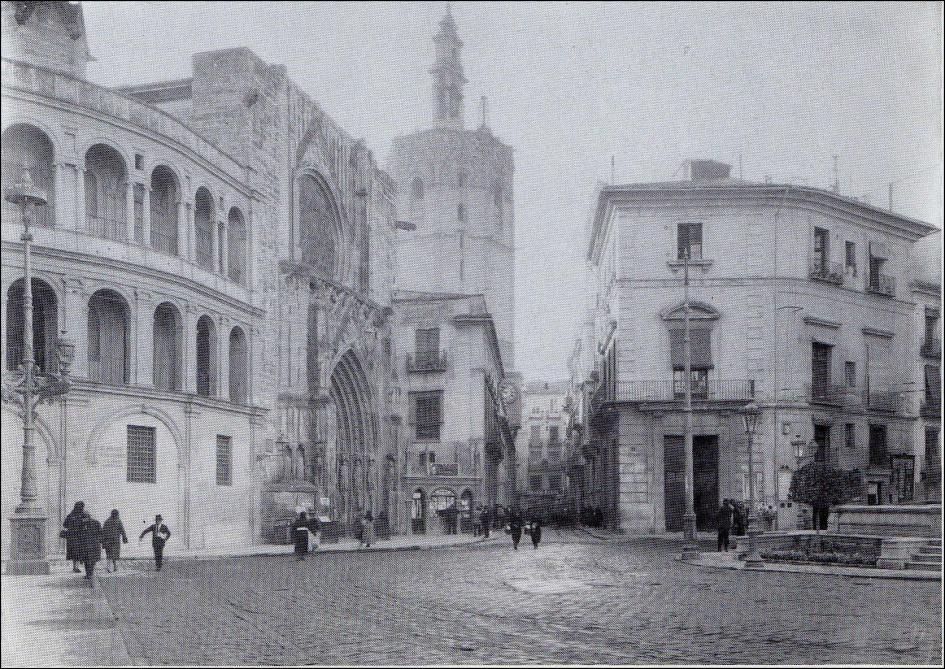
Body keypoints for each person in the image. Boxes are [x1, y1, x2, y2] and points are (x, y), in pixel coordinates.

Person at [62, 501, 87, 573]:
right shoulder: (83, 515)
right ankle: (76, 567)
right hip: (79, 536)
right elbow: (86, 524)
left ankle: (75, 567)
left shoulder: (70, 515)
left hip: (72, 536)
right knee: (78, 551)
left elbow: (65, 525)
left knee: (74, 552)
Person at [78, 513, 102, 582]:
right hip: (85, 545)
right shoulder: (82, 524)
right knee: (86, 560)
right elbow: (79, 534)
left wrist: (99, 540)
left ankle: (90, 573)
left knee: (92, 560)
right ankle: (88, 574)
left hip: (94, 545)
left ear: (88, 517)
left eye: (84, 518)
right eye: (82, 519)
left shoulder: (96, 523)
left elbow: (101, 533)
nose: (83, 520)